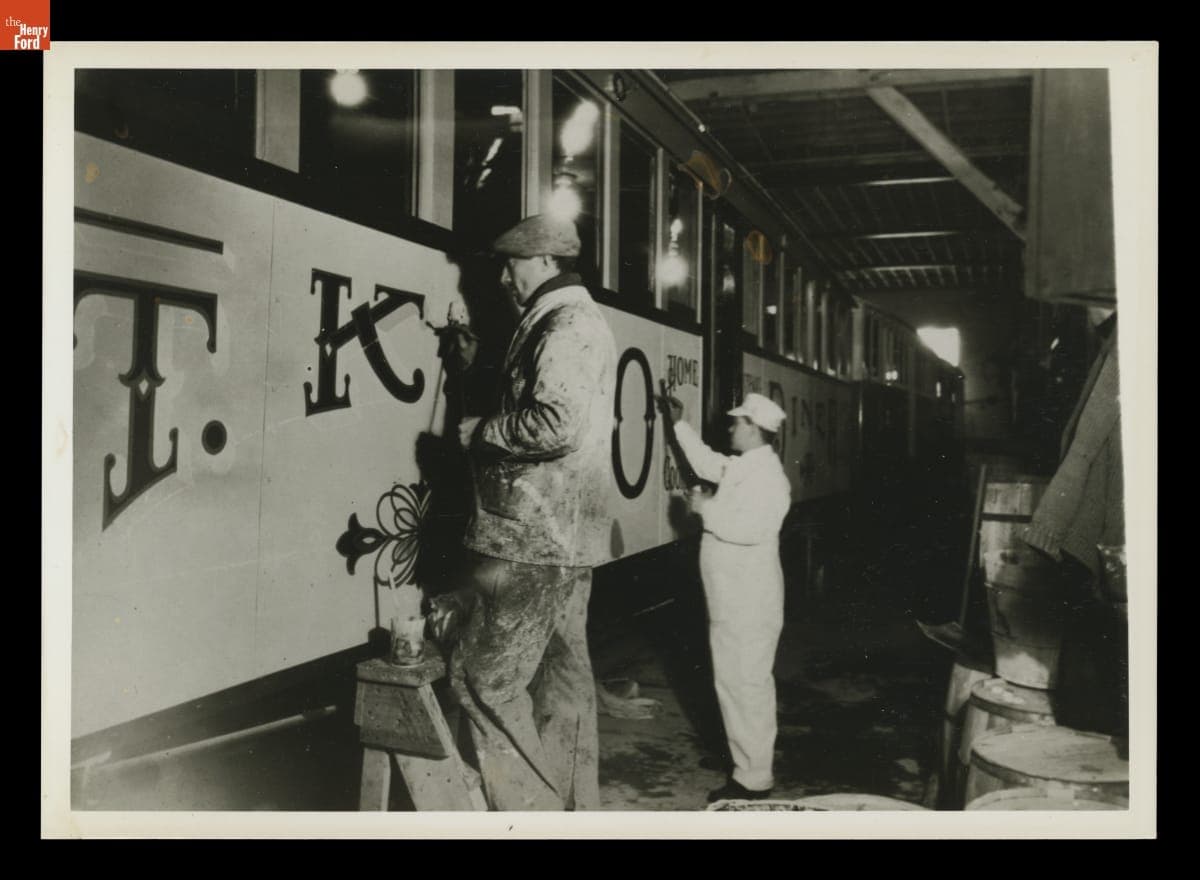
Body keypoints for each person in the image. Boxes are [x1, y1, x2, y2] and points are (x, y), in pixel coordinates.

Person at [447, 213, 617, 811]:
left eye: (511, 263)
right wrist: (476, 367)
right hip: (563, 540)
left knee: (482, 681)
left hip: (536, 539)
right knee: (565, 683)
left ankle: (528, 816)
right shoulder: (564, 319)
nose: (501, 278)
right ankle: (575, 810)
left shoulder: (566, 323)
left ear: (544, 262)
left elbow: (556, 423)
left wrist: (480, 431)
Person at [657, 390, 792, 802]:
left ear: (753, 429)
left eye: (737, 422)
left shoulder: (770, 479)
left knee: (745, 685)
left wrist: (705, 509)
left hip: (747, 602)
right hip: (734, 599)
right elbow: (705, 460)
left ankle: (753, 780)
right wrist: (678, 423)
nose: (730, 427)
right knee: (735, 683)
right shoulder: (745, 467)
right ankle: (744, 762)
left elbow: (754, 530)